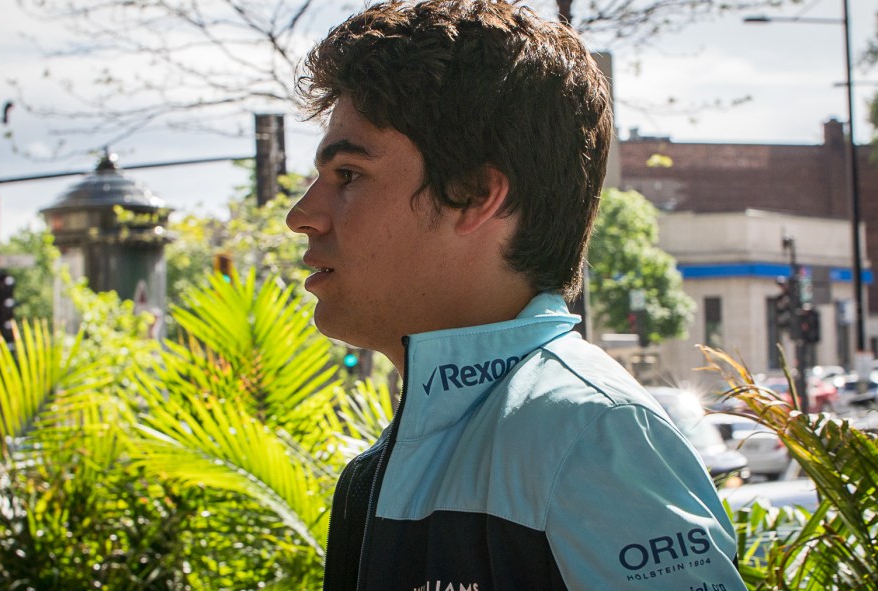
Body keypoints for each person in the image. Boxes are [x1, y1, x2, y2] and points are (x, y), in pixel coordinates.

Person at [286, 1, 746, 589]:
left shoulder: (590, 432)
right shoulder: (447, 437)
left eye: (348, 175)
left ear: (476, 195)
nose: (302, 215)